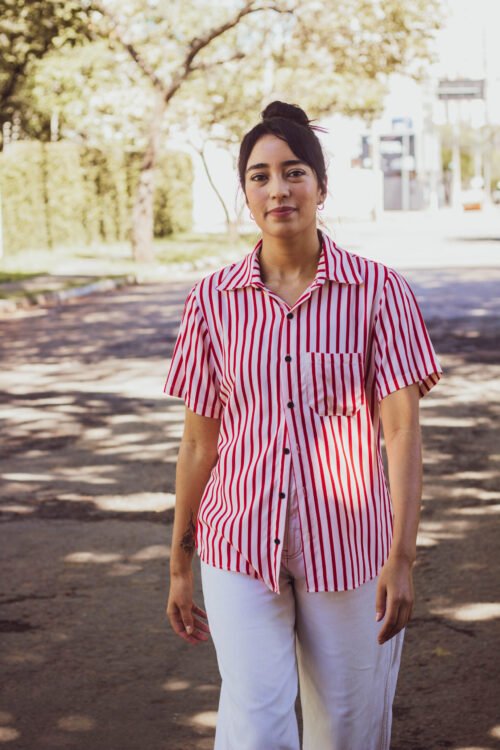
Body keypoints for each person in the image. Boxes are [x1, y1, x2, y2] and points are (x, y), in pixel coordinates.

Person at [164, 101, 443, 750]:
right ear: (245, 194)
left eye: (293, 172)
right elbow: (198, 442)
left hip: (349, 549)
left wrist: (401, 558)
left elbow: (401, 432)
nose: (277, 188)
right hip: (238, 545)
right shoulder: (211, 300)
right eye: (259, 176)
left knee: (346, 728)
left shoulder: (379, 292)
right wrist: (180, 563)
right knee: (256, 730)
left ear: (321, 185)